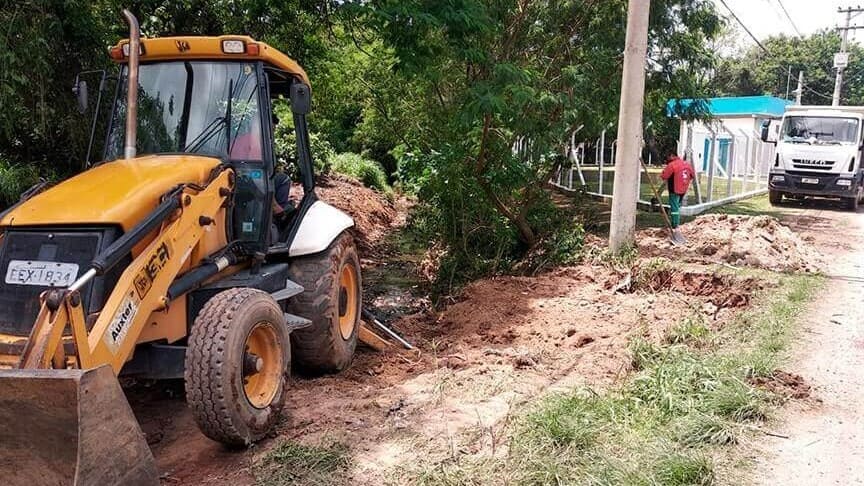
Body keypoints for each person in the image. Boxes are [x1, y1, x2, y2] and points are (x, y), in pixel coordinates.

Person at [660, 152, 695, 229]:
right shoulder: (686, 164)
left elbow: (664, 176)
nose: (667, 159)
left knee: (674, 208)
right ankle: (676, 221)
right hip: (683, 189)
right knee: (677, 206)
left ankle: (675, 225)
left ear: (672, 155)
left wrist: (663, 172)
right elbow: (692, 175)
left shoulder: (672, 165)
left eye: (668, 157)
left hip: (674, 189)